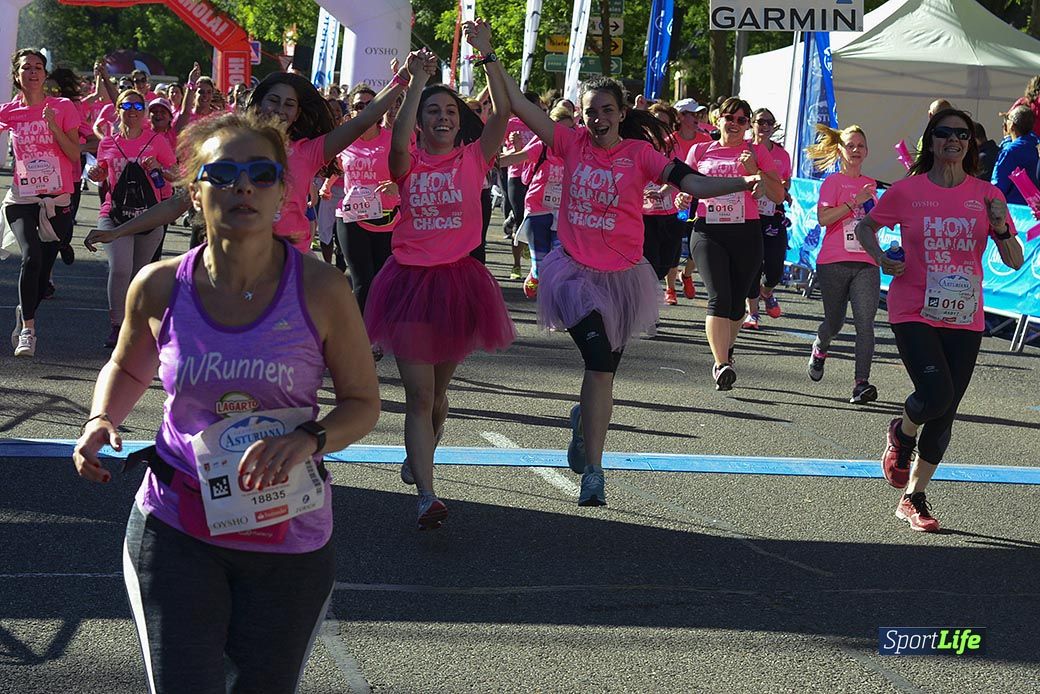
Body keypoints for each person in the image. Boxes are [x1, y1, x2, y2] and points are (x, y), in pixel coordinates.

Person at [72, 110, 380, 692]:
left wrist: (308, 440)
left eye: (262, 174)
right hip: (177, 525)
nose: (244, 186)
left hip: (289, 535)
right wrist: (100, 419)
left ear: (284, 192)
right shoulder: (160, 285)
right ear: (195, 192)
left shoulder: (320, 288)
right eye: (224, 173)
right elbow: (125, 365)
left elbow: (363, 402)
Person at [499, 55, 764, 506]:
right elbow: (519, 104)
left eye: (606, 110)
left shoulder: (639, 154)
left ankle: (586, 427)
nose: (597, 118)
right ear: (580, 115)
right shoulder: (569, 142)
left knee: (605, 374)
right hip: (573, 274)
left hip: (623, 280)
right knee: (599, 363)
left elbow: (693, 184)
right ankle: (595, 475)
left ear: (622, 113)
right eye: (590, 110)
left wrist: (740, 182)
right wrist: (488, 56)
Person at [367, 33, 515, 529]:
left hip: (459, 284)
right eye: (434, 112)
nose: (443, 118)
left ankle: (422, 452)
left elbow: (503, 112)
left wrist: (489, 53)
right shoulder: (407, 162)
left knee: (439, 394)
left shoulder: (475, 158)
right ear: (422, 120)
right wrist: (418, 84)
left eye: (450, 111)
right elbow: (396, 140)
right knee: (419, 394)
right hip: (409, 283)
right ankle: (427, 494)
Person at [854, 108, 1023, 532]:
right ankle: (902, 433)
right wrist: (880, 258)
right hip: (912, 308)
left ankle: (914, 497)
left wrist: (1001, 227)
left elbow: (1014, 259)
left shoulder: (987, 195)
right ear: (931, 142)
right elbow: (865, 228)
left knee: (946, 411)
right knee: (936, 393)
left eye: (962, 134)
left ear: (971, 144)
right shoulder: (907, 192)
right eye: (944, 133)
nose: (954, 140)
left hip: (965, 315)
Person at [85, 62, 418, 256]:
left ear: (298, 112)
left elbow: (363, 120)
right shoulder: (227, 148)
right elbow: (177, 204)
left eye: (290, 104)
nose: (281, 109)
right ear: (259, 104)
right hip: (233, 261)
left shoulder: (310, 151)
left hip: (288, 264)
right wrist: (118, 232)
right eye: (274, 100)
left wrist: (403, 80)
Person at [685, 97, 786, 390]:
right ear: (718, 119)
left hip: (745, 231)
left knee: (737, 302)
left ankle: (726, 350)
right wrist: (682, 196)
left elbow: (777, 195)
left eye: (742, 120)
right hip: (708, 231)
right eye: (730, 117)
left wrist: (756, 168)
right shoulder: (701, 150)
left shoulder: (754, 151)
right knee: (719, 295)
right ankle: (721, 364)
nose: (735, 124)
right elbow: (684, 181)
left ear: (747, 125)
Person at [1, 48, 81, 357]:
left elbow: (74, 154)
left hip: (57, 198)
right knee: (30, 257)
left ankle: (26, 311)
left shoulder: (61, 107)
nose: (32, 72)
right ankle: (28, 331)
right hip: (22, 198)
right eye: (26, 68)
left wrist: (53, 126)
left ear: (45, 75)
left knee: (44, 268)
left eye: (38, 67)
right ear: (17, 76)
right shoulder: (8, 111)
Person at [85, 88, 177, 348]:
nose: (133, 112)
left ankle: (134, 327)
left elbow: (176, 173)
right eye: (127, 107)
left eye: (138, 107)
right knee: (121, 268)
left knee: (139, 275)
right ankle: (117, 326)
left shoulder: (157, 140)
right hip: (114, 215)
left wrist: (160, 168)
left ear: (145, 112)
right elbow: (103, 175)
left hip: (150, 216)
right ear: (118, 110)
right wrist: (97, 174)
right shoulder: (108, 142)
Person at [805, 123, 881, 404]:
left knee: (865, 323)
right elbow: (824, 219)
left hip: (866, 262)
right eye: (851, 145)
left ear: (867, 151)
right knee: (834, 323)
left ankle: (861, 383)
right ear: (840, 150)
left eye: (861, 146)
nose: (856, 150)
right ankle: (820, 346)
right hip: (834, 261)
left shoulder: (871, 184)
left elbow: (875, 224)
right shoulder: (833, 182)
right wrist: (853, 204)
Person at [325, 83, 400, 315]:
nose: (365, 109)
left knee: (381, 280)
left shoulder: (393, 139)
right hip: (351, 218)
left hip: (386, 218)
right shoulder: (344, 140)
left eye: (370, 105)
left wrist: (398, 186)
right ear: (352, 110)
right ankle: (359, 339)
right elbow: (334, 169)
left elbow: (412, 171)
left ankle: (376, 332)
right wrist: (325, 187)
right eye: (359, 105)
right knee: (362, 281)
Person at [497, 103, 575, 298]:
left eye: (570, 129)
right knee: (541, 267)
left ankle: (556, 311)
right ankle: (535, 273)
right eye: (560, 129)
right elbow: (514, 158)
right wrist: (480, 159)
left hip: (562, 212)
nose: (565, 134)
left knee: (559, 265)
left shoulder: (576, 150)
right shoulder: (541, 145)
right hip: (537, 209)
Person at [743, 107, 792, 329]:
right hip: (748, 214)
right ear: (752, 123)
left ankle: (767, 291)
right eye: (760, 121)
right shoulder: (744, 149)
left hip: (773, 213)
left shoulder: (782, 154)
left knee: (774, 268)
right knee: (752, 264)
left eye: (769, 123)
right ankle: (752, 313)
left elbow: (786, 181)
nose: (764, 126)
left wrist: (783, 190)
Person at [990, 105, 1039, 206]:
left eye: (1007, 119)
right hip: (1035, 210)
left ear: (1011, 125)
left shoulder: (1010, 151)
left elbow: (998, 186)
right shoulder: (1036, 145)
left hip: (1015, 212)